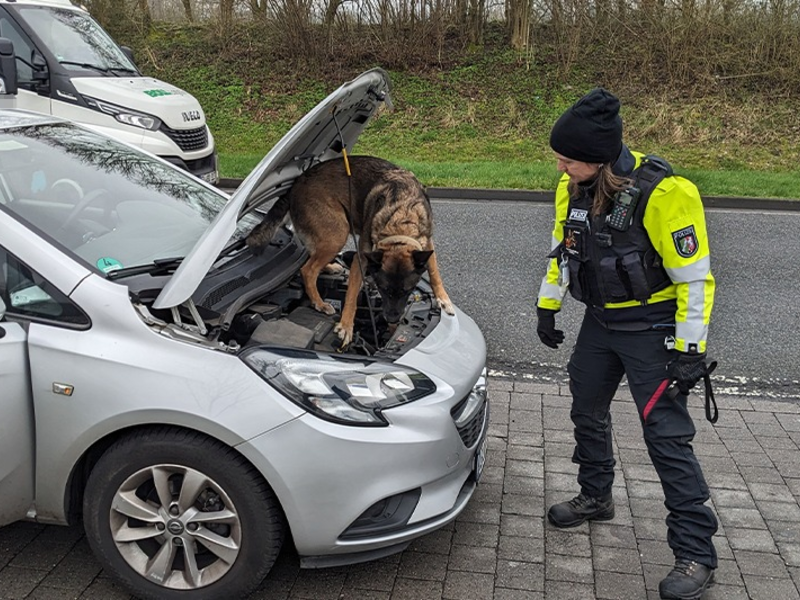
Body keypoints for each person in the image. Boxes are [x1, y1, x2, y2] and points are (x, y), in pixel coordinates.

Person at [536, 87, 718, 600]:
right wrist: (547, 306)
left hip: (652, 329)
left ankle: (695, 552)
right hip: (600, 322)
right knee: (586, 408)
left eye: (567, 159)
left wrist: (688, 348)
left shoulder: (667, 193)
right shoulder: (570, 188)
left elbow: (696, 278)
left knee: (666, 437)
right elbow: (563, 251)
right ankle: (596, 496)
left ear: (597, 158)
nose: (560, 167)